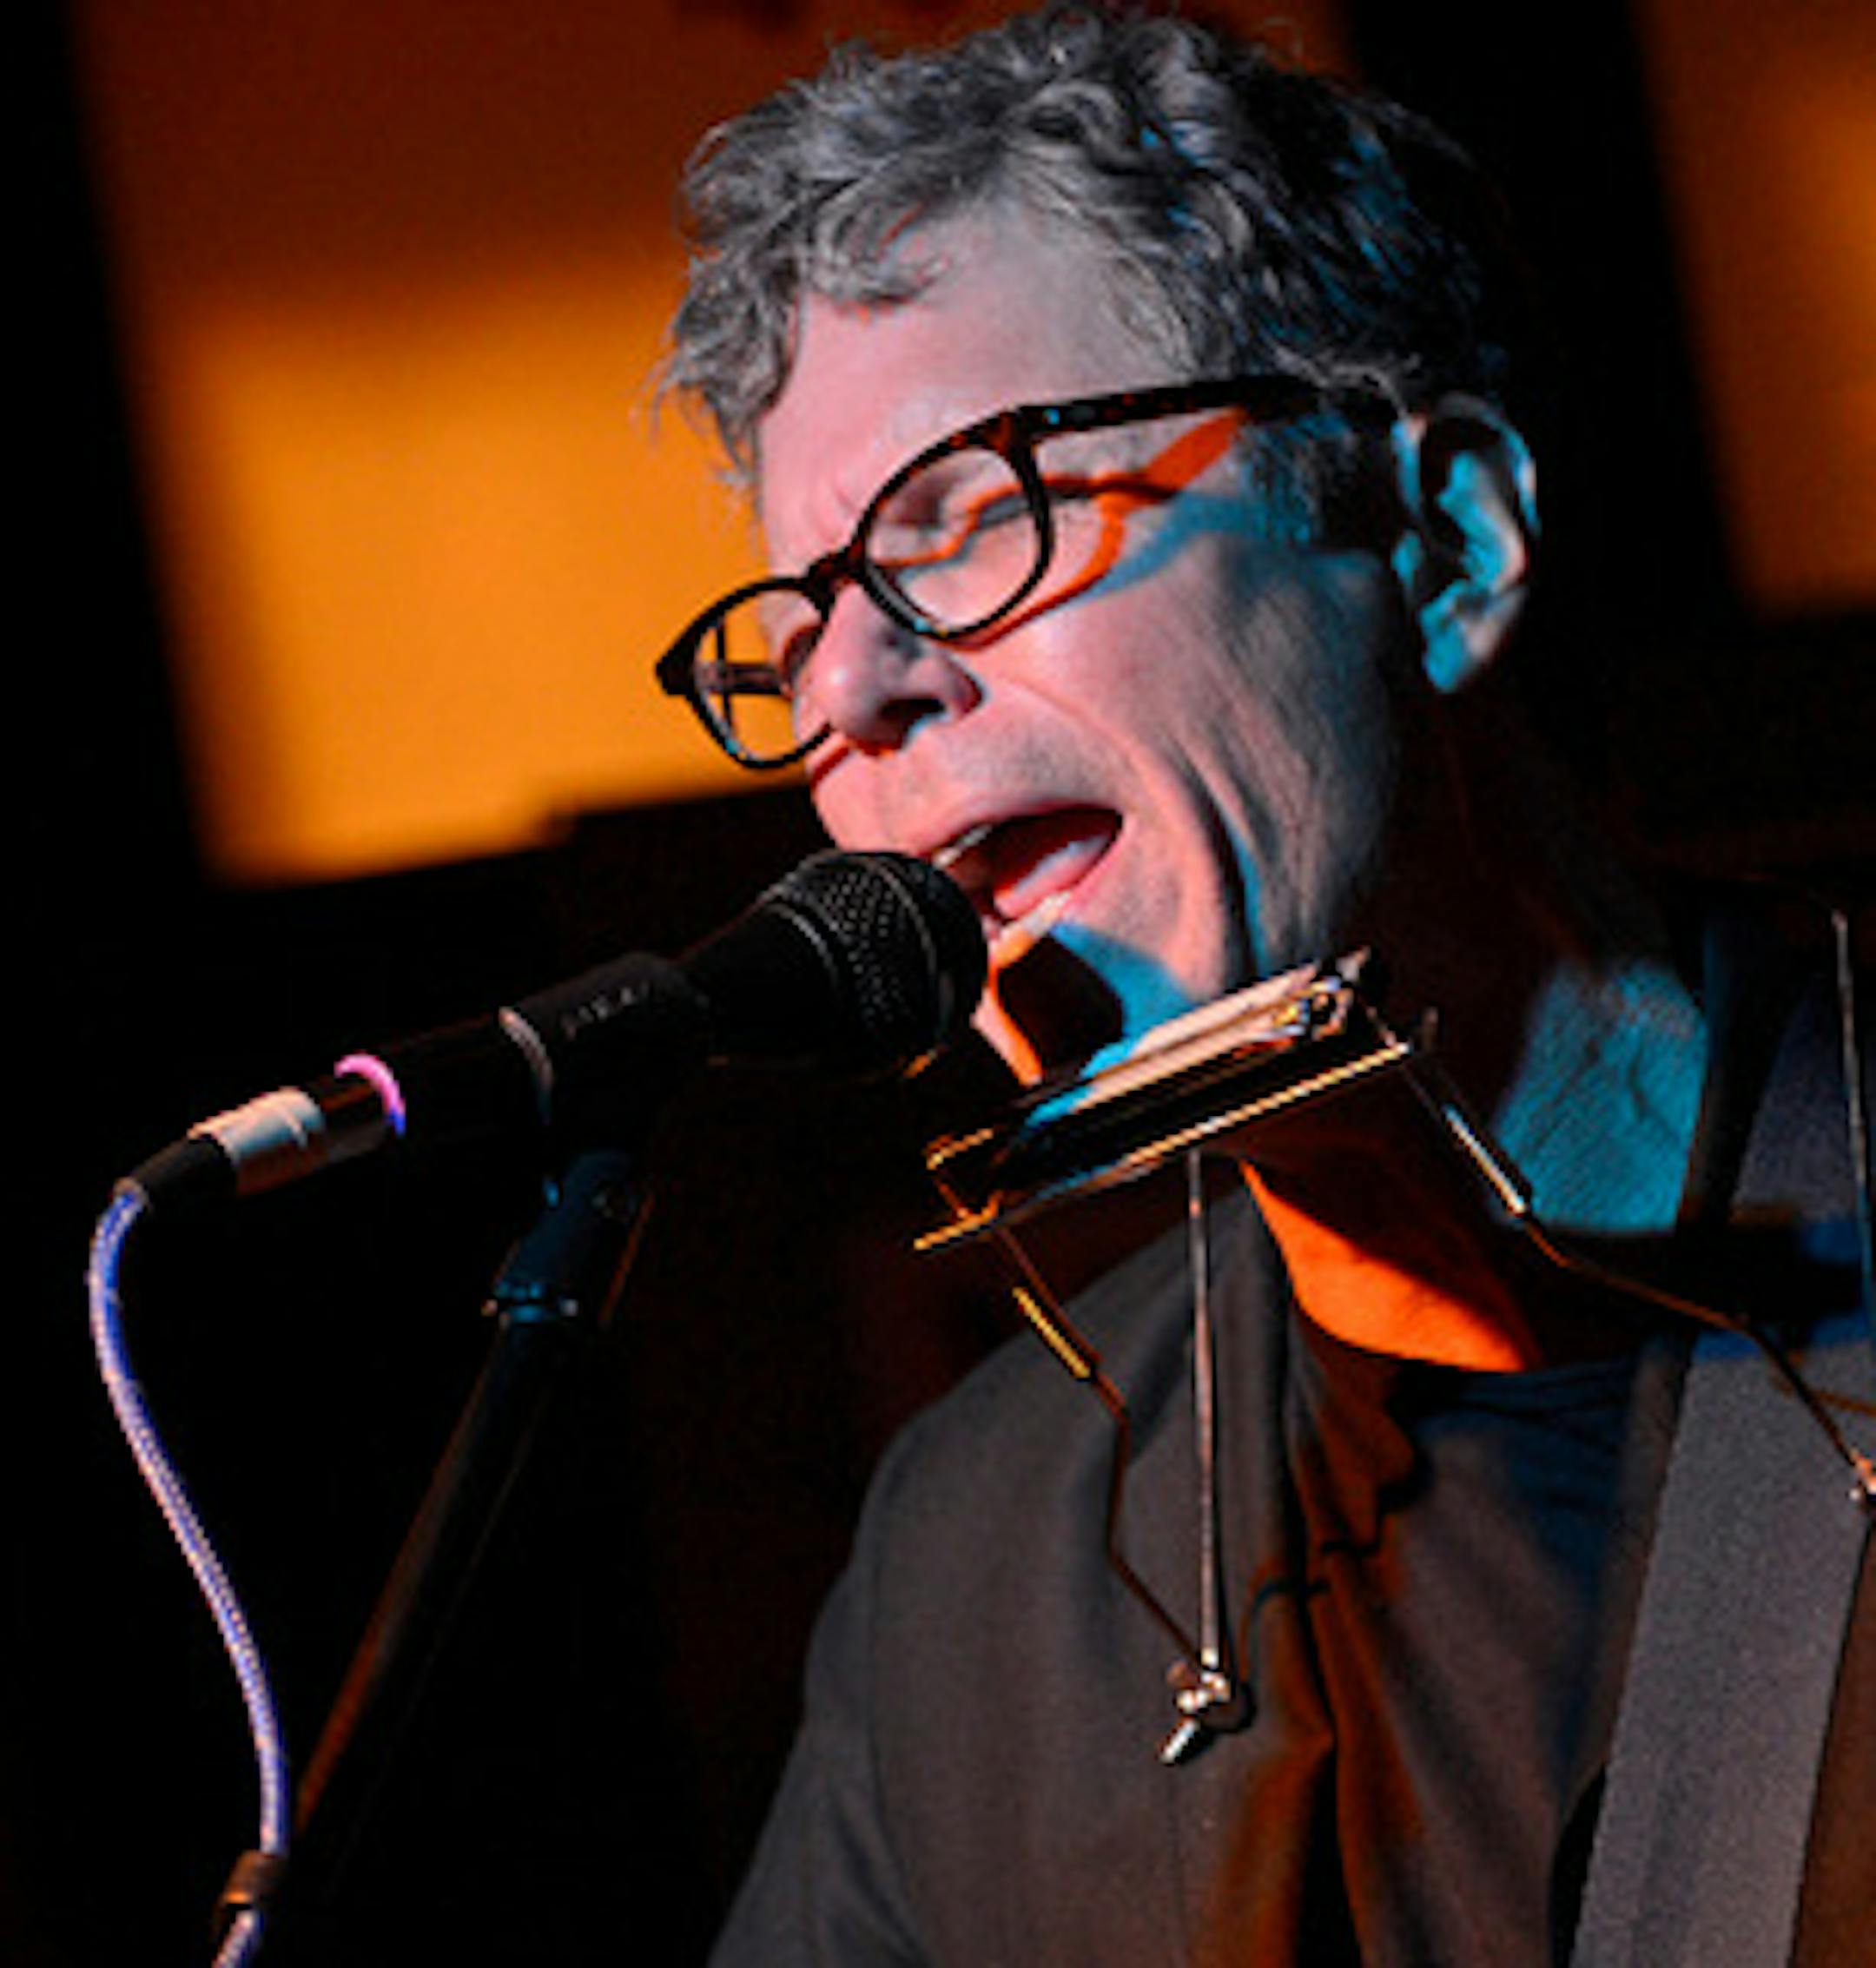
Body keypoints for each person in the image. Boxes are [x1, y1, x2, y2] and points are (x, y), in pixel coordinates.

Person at [651, 4, 1873, 1960]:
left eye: (968, 518)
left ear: (1446, 544)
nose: (853, 695)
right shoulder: (976, 1567)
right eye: (798, 629)